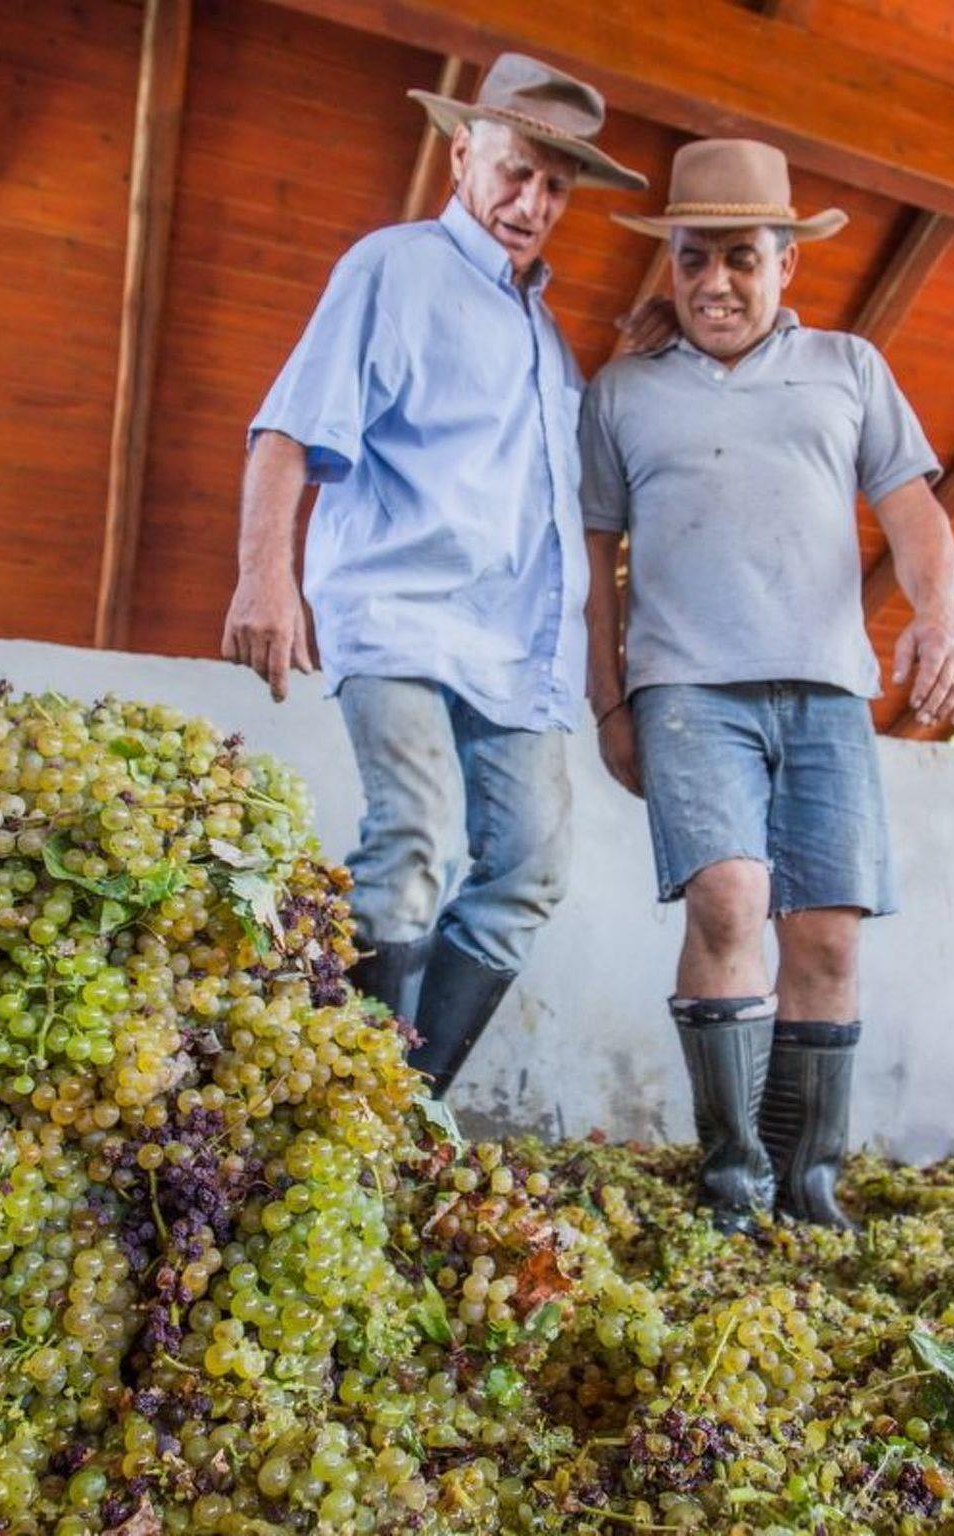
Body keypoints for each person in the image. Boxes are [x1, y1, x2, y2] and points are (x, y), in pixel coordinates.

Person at [222, 55, 646, 1095]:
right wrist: (264, 578)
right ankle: (335, 1108)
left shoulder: (549, 339)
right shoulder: (393, 268)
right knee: (412, 842)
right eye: (515, 171)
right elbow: (288, 428)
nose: (531, 203)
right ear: (462, 154)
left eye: (555, 187)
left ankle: (403, 1114)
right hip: (401, 613)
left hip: (519, 655)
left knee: (530, 873)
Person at [580, 139, 954, 1230]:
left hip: (827, 692)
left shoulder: (850, 368)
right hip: (685, 692)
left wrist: (937, 620)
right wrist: (608, 699)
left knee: (829, 935)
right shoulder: (618, 392)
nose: (715, 282)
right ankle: (732, 1186)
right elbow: (594, 559)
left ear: (786, 262)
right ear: (668, 263)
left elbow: (912, 512)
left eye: (741, 258)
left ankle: (810, 1188)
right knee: (727, 899)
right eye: (693, 258)